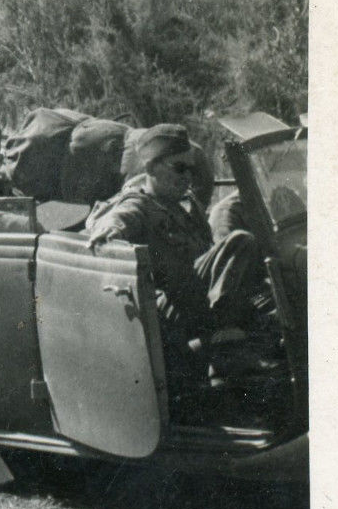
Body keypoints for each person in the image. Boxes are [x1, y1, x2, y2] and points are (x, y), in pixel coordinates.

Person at [85, 123, 270, 363]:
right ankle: (218, 330)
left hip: (197, 299)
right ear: (150, 167)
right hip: (168, 309)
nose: (188, 177)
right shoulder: (139, 204)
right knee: (240, 242)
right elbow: (117, 219)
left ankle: (228, 331)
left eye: (191, 169)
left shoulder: (186, 204)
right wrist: (110, 231)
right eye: (179, 168)